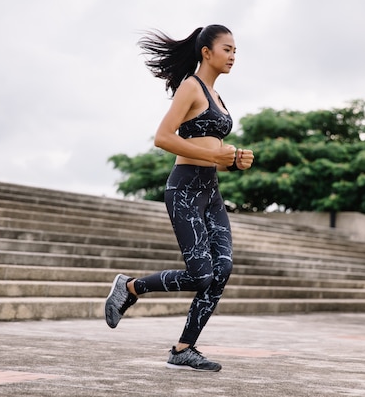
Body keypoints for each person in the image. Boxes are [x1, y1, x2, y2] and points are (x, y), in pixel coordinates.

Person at [104, 24, 254, 372]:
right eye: (227, 49)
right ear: (207, 52)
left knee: (223, 268)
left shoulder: (217, 97)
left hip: (210, 191)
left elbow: (211, 151)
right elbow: (162, 137)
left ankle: (184, 348)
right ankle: (130, 287)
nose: (233, 56)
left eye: (235, 51)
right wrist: (216, 157)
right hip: (184, 188)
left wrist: (233, 162)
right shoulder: (191, 86)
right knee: (201, 275)